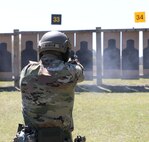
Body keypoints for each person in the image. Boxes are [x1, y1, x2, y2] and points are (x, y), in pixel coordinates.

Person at [14, 31, 84, 142]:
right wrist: (73, 61)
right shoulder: (72, 71)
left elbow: (18, 84)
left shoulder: (26, 70)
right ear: (65, 49)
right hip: (62, 138)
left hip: (32, 138)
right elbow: (81, 75)